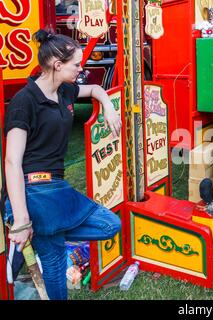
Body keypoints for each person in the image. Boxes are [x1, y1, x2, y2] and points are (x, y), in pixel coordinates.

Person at [3, 29, 122, 300]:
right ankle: (39, 231)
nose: (81, 69)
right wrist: (22, 218)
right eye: (77, 64)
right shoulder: (25, 101)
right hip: (33, 188)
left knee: (110, 225)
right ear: (57, 65)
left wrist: (106, 104)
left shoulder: (64, 91)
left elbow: (93, 88)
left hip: (57, 186)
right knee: (55, 261)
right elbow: (12, 161)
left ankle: (45, 232)